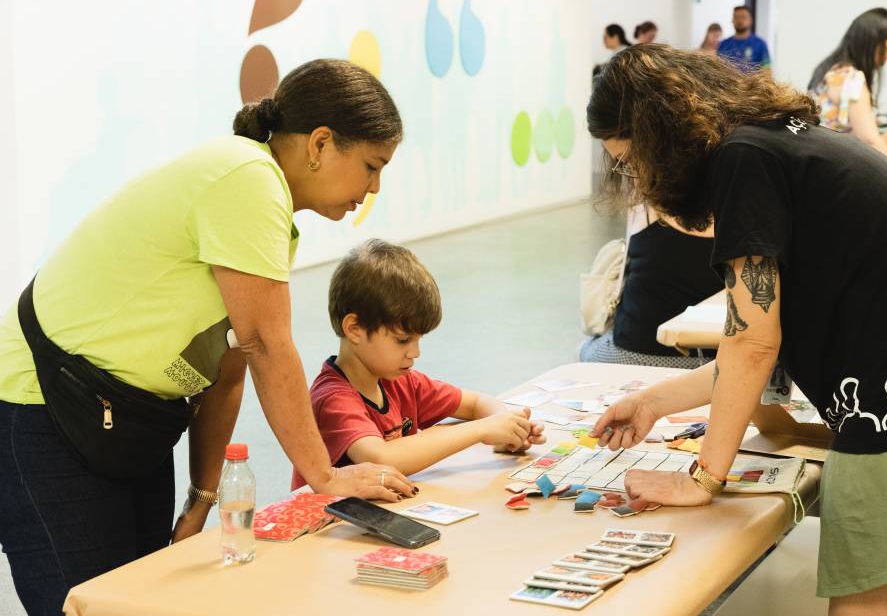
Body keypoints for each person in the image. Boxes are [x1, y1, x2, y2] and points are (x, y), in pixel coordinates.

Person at [587, 44, 887, 614]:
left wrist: (703, 477)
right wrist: (657, 399)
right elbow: (767, 340)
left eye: (628, 158)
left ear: (657, 135)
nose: (633, 175)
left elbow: (751, 341)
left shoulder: (741, 161)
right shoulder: (775, 139)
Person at [0, 59, 417, 615]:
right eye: (371, 165)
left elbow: (230, 365)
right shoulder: (248, 180)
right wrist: (324, 476)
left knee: (142, 596)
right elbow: (269, 345)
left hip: (124, 417)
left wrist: (201, 496)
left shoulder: (266, 204)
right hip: (44, 402)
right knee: (85, 603)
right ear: (320, 143)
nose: (374, 186)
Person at [292, 239, 545, 486]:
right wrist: (482, 430)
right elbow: (381, 458)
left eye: (417, 339)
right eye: (403, 340)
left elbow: (476, 403)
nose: (415, 352)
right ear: (355, 329)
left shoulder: (400, 380)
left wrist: (506, 427)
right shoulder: (333, 400)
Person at [579, 205, 722, 368]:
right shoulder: (740, 215)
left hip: (633, 352)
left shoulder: (645, 207)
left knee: (584, 349)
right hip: (715, 359)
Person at [808, 8, 887, 163]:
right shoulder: (851, 79)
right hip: (836, 167)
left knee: (886, 138)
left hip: (821, 162)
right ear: (870, 43)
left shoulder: (831, 71)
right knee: (885, 140)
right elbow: (870, 140)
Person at [717, 5, 770, 72]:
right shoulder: (724, 45)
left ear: (750, 20)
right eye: (736, 17)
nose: (739, 20)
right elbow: (717, 71)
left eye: (743, 17)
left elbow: (767, 72)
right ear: (732, 20)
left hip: (753, 82)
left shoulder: (760, 44)